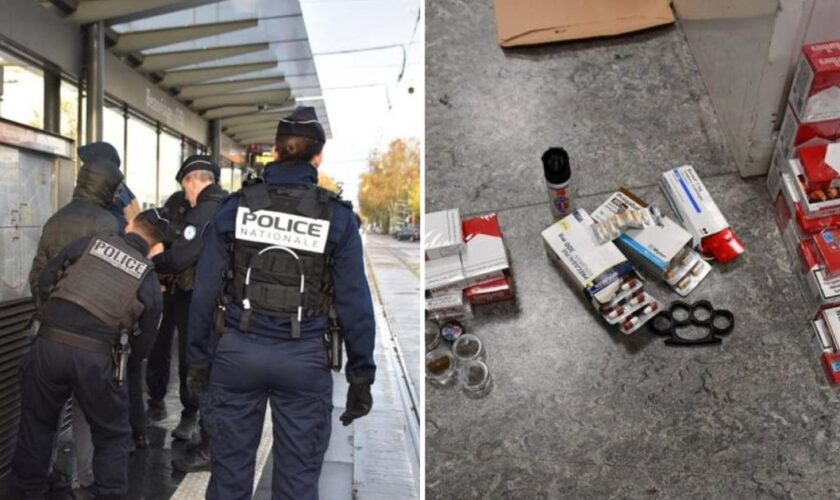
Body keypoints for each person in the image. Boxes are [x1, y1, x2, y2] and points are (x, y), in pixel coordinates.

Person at [187, 106, 376, 499]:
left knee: (228, 476)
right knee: (297, 482)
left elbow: (204, 291)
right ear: (318, 156)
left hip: (237, 352)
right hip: (304, 358)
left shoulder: (235, 208)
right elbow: (355, 302)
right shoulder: (336, 217)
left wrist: (199, 360)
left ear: (275, 150)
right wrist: (361, 373)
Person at [11, 209, 169, 500]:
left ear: (130, 225)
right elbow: (145, 343)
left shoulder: (90, 243)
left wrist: (52, 318)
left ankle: (26, 493)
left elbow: (47, 278)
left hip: (49, 344)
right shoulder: (147, 279)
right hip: (97, 359)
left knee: (36, 426)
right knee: (112, 436)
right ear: (156, 249)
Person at [27, 142, 124, 492]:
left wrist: (46, 313)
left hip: (49, 331)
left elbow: (39, 275)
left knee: (43, 413)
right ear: (107, 189)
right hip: (91, 337)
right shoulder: (107, 224)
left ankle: (46, 471)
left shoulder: (56, 218)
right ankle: (85, 477)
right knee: (88, 411)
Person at [148, 155, 228, 470]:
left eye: (187, 186)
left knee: (197, 364)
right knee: (206, 365)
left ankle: (208, 443)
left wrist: (154, 261)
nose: (186, 194)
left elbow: (180, 257)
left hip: (200, 301)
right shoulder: (227, 205)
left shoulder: (204, 211)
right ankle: (207, 437)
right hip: (216, 303)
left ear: (194, 180)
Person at [144, 189, 190, 423]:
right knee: (159, 346)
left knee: (186, 352)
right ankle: (156, 399)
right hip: (167, 288)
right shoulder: (176, 201)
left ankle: (189, 410)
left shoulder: (207, 211)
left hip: (187, 291)